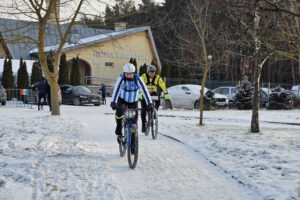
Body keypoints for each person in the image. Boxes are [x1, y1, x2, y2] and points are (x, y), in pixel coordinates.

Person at [110, 63, 153, 143]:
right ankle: (119, 127)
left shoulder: (138, 79)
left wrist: (149, 103)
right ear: (124, 73)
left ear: (133, 73)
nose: (129, 75)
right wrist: (113, 102)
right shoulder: (121, 79)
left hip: (133, 101)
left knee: (134, 122)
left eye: (131, 74)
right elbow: (116, 90)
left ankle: (133, 145)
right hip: (122, 100)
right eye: (127, 74)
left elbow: (144, 90)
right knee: (119, 113)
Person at [140, 65, 169, 133]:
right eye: (151, 72)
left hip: (153, 93)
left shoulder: (157, 78)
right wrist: (139, 94)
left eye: (153, 72)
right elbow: (140, 85)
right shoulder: (143, 77)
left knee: (158, 99)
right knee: (143, 110)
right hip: (145, 93)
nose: (152, 74)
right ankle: (143, 125)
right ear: (148, 72)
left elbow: (162, 85)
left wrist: (166, 94)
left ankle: (154, 110)